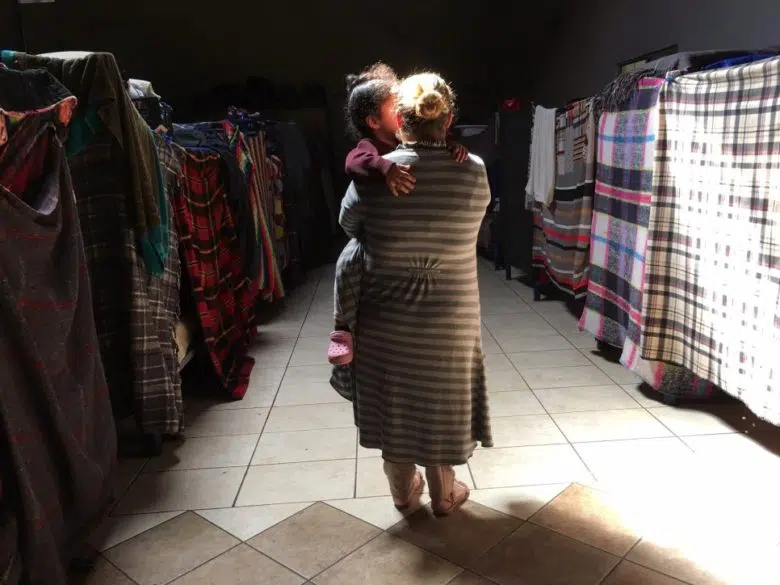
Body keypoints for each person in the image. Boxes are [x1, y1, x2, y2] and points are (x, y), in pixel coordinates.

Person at [337, 72, 493, 516]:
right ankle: (445, 496)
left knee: (396, 399)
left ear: (399, 121)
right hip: (453, 315)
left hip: (387, 316)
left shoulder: (374, 177)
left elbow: (349, 227)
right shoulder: (474, 170)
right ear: (449, 118)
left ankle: (404, 495)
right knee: (441, 395)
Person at [328, 64, 467, 396]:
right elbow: (353, 162)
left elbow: (434, 140)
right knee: (347, 264)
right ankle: (340, 329)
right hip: (367, 239)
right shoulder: (371, 146)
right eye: (396, 105)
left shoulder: (407, 141)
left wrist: (452, 145)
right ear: (375, 121)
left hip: (393, 246)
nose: (405, 108)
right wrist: (385, 167)